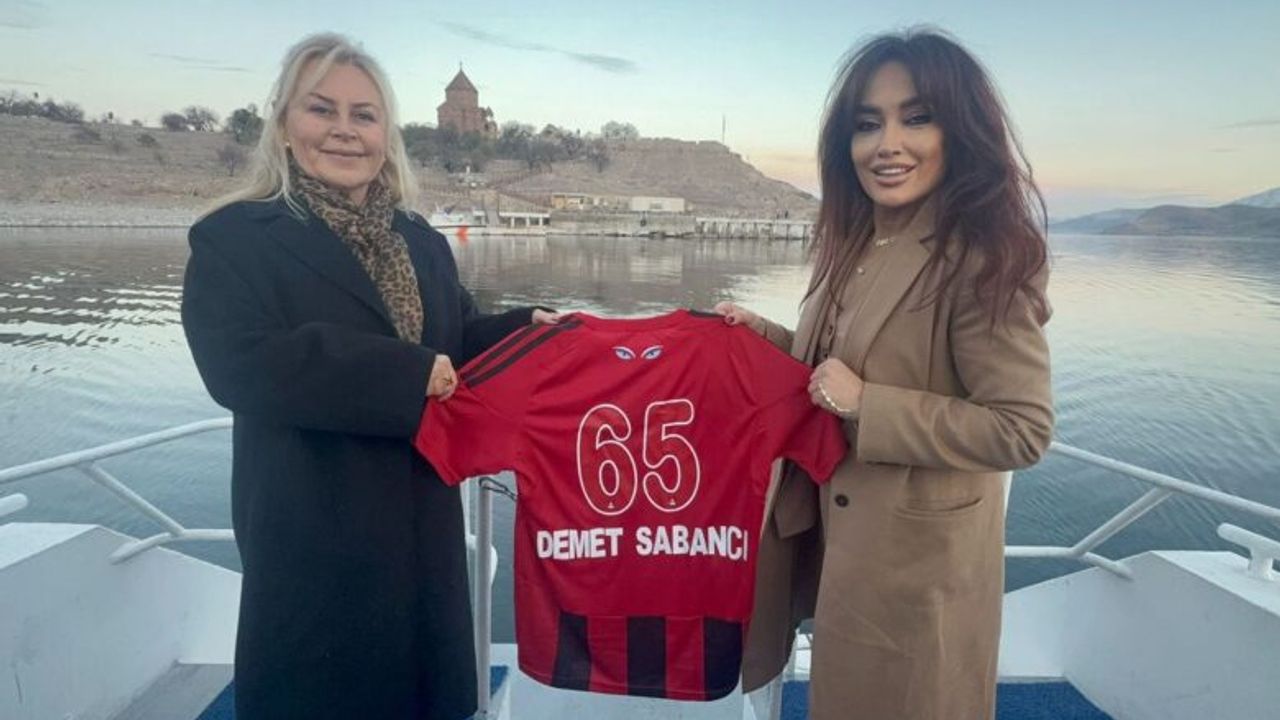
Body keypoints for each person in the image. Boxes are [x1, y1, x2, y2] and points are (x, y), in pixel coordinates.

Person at [181, 33, 558, 720]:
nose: (345, 130)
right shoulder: (233, 237)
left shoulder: (421, 240)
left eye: (364, 115)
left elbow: (455, 341)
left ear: (387, 135)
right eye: (321, 109)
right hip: (312, 524)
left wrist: (524, 329)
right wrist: (406, 375)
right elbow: (239, 363)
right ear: (284, 125)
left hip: (420, 525)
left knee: (423, 692)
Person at [717, 29, 1053, 720]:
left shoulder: (982, 255)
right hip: (837, 539)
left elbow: (1021, 429)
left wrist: (868, 404)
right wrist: (766, 337)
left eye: (916, 118)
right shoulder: (857, 241)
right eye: (867, 124)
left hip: (915, 567)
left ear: (960, 130)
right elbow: (833, 366)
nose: (886, 144)